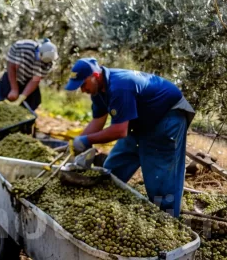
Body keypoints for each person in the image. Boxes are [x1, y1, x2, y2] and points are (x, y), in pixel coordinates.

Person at [66, 58, 195, 217]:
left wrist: (87, 140)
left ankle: (167, 223)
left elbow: (119, 131)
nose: (82, 90)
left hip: (166, 118)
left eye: (83, 84)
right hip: (139, 122)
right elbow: (98, 121)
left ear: (95, 75)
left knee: (161, 181)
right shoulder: (98, 92)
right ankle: (101, 206)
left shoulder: (120, 85)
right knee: (113, 168)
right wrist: (77, 142)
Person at [0, 38, 58, 110]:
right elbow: (11, 67)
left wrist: (22, 97)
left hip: (28, 80)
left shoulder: (49, 63)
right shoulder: (22, 47)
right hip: (13, 75)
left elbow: (35, 79)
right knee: (3, 96)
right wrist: (14, 89)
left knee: (33, 103)